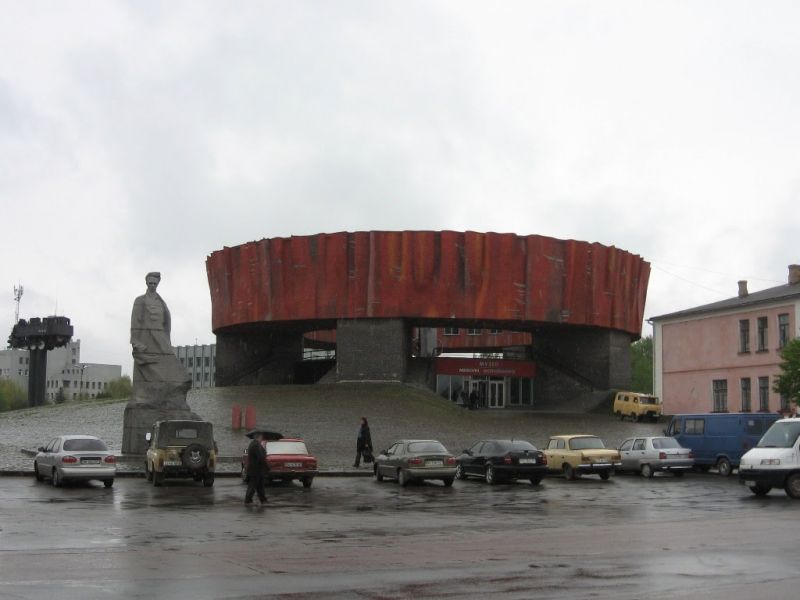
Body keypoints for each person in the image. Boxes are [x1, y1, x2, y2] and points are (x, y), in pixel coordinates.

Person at [245, 432, 268, 505]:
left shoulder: (256, 444)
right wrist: (266, 466)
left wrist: (263, 450)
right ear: (258, 437)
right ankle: (248, 500)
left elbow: (261, 454)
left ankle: (263, 499)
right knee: (253, 485)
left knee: (260, 485)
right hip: (255, 469)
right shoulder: (255, 445)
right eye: (261, 437)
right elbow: (260, 457)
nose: (262, 438)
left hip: (257, 469)